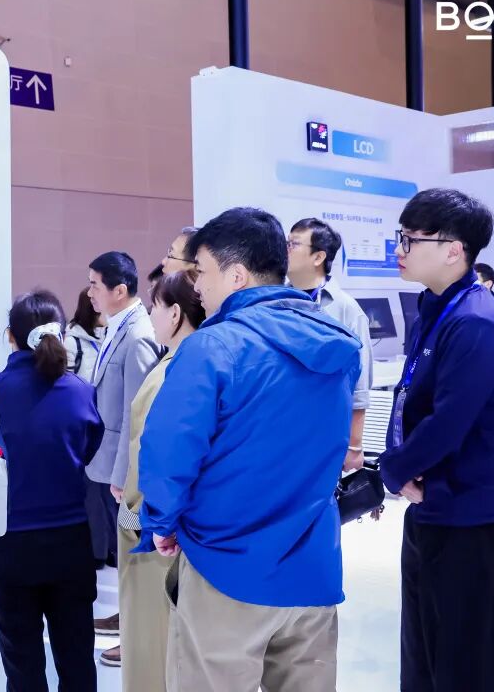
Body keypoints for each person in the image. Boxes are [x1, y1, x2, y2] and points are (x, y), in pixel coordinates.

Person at [138, 207, 361, 692]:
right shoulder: (339, 344)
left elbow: (169, 453)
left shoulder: (212, 347)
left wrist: (161, 522)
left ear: (236, 275)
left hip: (226, 566)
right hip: (312, 565)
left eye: (202, 272)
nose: (196, 286)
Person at [381, 189, 494, 692]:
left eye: (410, 239)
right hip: (437, 508)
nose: (399, 248)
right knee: (426, 660)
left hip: (478, 520)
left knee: (470, 667)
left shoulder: (477, 322)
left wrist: (393, 470)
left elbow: (449, 422)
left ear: (453, 250)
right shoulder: (436, 308)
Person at [0, 290, 105, 692]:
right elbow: (88, 450)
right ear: (62, 334)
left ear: (11, 336)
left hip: (9, 542)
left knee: (22, 666)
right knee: (77, 660)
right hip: (70, 542)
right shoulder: (81, 392)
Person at [117, 271, 204, 692]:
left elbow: (154, 460)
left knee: (151, 640)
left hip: (152, 532)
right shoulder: (189, 364)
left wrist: (136, 520)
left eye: (155, 306)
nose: (150, 315)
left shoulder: (174, 372)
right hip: (165, 527)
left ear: (175, 313)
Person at [84, 251, 161, 653]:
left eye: (95, 285)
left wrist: (125, 476)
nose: (89, 293)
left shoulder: (138, 334)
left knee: (136, 554)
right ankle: (127, 621)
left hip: (125, 472)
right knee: (127, 553)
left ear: (119, 290)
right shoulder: (117, 327)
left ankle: (137, 637)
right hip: (109, 464)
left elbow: (139, 413)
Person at [287, 218, 373, 471]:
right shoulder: (276, 300)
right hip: (280, 425)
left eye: (294, 244)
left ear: (318, 257)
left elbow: (360, 384)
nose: (285, 250)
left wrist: (354, 446)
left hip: (324, 432)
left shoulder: (345, 309)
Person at [64, 288, 104, 383]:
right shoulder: (72, 342)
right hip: (82, 392)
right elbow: (66, 382)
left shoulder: (111, 336)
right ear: (93, 311)